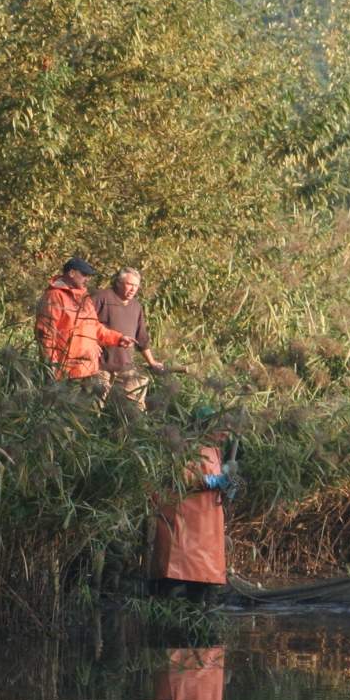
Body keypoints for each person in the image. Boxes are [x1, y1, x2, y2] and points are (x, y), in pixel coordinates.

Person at [150, 430, 232, 601]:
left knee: (200, 577)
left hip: (206, 524)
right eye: (222, 431)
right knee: (175, 574)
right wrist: (211, 481)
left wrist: (226, 487)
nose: (225, 436)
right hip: (186, 520)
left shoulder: (214, 451)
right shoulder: (189, 449)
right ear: (208, 428)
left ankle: (196, 609)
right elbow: (182, 479)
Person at [34, 255, 133, 388]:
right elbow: (46, 334)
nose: (87, 279)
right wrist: (51, 367)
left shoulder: (84, 298)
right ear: (72, 273)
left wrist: (118, 338)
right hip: (66, 372)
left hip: (89, 369)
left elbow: (95, 327)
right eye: (84, 274)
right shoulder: (54, 296)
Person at [94, 267, 166, 409]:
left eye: (136, 286)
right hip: (100, 365)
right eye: (130, 284)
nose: (133, 289)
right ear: (119, 283)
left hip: (125, 366)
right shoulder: (102, 298)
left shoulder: (136, 306)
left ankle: (129, 431)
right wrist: (90, 344)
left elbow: (142, 338)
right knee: (94, 406)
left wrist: (151, 362)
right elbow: (84, 323)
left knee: (135, 408)